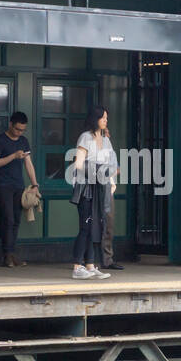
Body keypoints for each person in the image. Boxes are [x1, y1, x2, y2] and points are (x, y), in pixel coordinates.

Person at [0, 111, 39, 267]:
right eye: (17, 129)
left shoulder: (23, 141)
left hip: (18, 184)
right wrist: (13, 156)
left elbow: (28, 164)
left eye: (22, 130)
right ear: (10, 124)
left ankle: (11, 253)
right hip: (2, 185)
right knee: (8, 219)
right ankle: (7, 254)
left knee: (16, 220)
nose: (19, 132)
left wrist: (35, 184)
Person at [70, 106, 114, 280]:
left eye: (106, 118)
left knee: (96, 226)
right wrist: (97, 173)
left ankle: (89, 265)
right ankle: (77, 266)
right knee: (85, 226)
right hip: (86, 186)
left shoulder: (105, 139)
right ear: (95, 119)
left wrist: (110, 182)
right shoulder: (85, 137)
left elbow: (109, 165)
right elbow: (79, 164)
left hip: (100, 186)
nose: (105, 120)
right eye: (103, 118)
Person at [99, 116, 124, 271]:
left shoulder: (109, 146)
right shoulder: (91, 143)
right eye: (105, 133)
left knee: (109, 224)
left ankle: (107, 259)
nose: (108, 135)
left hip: (109, 187)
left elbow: (117, 168)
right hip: (98, 186)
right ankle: (86, 259)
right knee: (94, 224)